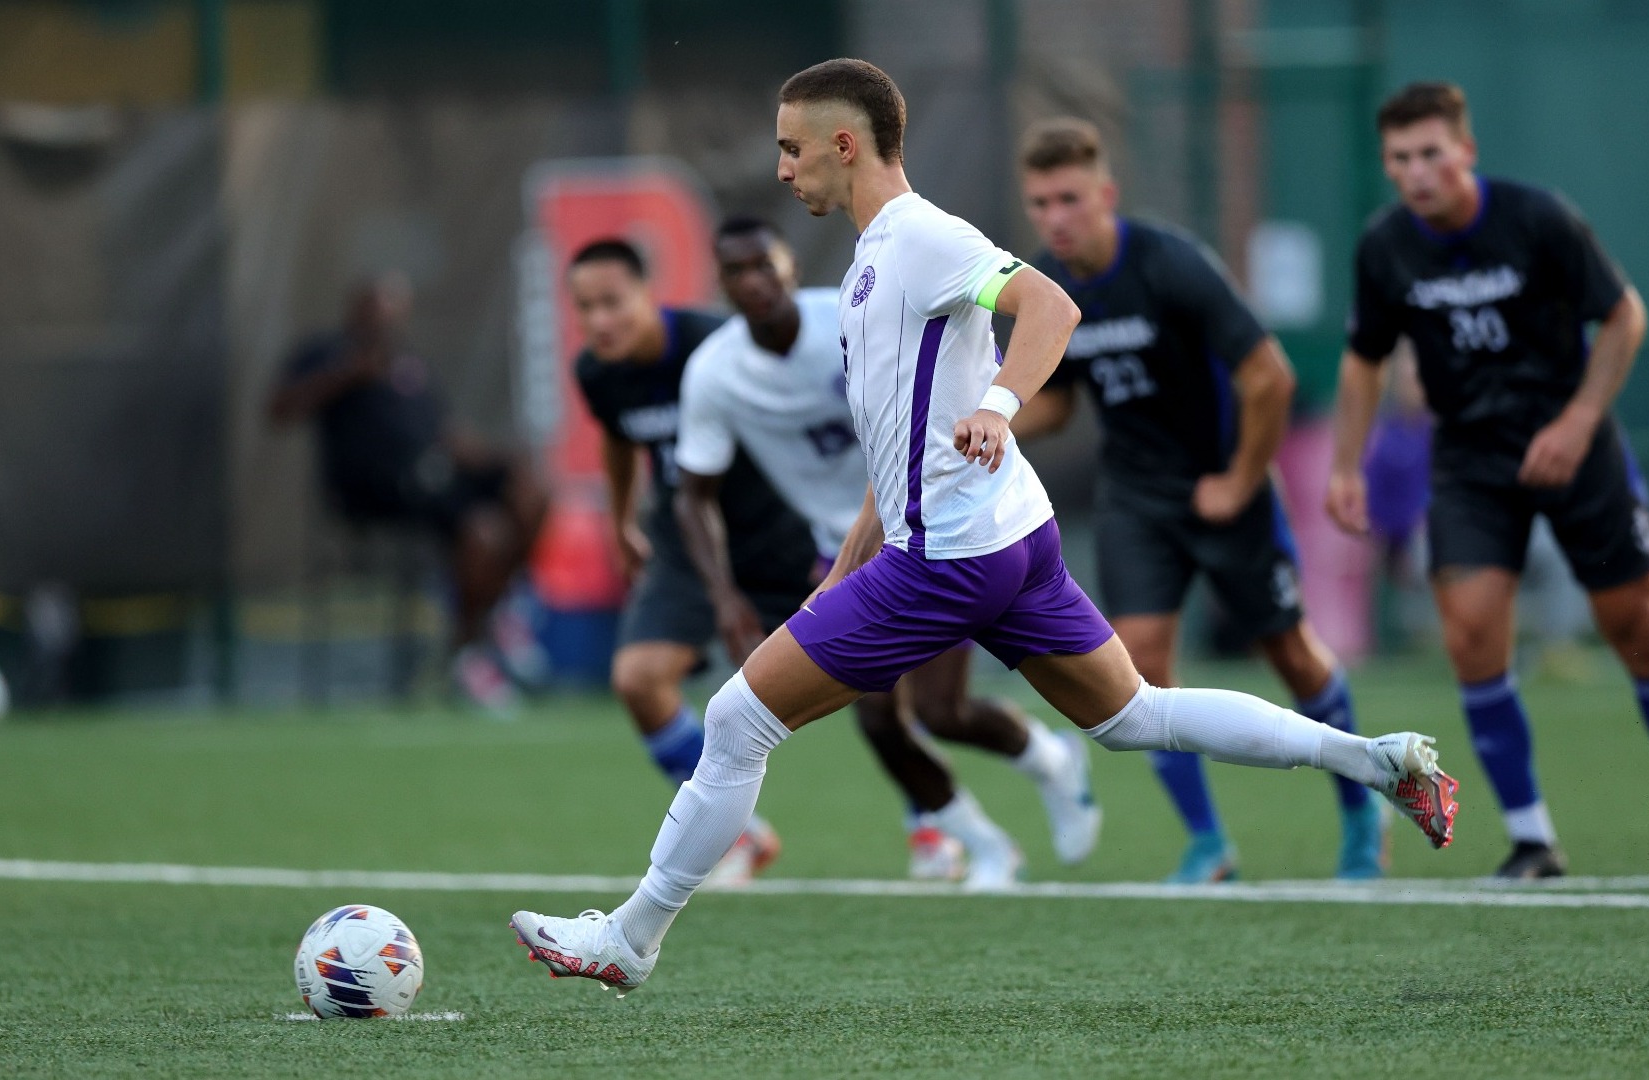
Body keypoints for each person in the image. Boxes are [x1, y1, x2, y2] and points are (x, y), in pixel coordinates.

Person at [511, 58, 1457, 997]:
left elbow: (1051, 304)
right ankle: (1374, 761)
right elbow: (897, 452)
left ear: (847, 144)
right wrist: (841, 572)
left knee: (733, 721)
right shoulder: (871, 262)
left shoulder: (921, 238)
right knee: (1134, 718)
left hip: (950, 562)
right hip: (1012, 539)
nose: (784, 169)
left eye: (792, 149)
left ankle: (630, 938)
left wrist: (1002, 404)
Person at [1325, 81, 1649, 879]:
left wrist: (1580, 420)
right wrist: (1346, 464)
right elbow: (1363, 357)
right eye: (1400, 159)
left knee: (1637, 628)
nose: (1417, 173)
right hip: (1471, 462)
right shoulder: (1384, 247)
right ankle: (1530, 839)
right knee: (1472, 632)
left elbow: (1625, 317)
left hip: (1573, 445)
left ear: (1466, 152)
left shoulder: (1537, 218)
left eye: (1432, 154)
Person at [1011, 118, 1388, 883]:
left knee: (1287, 650)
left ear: (1106, 195)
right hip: (1136, 501)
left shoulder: (1170, 264)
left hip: (1227, 491)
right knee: (1138, 670)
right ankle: (1209, 844)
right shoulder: (1046, 289)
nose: (1057, 217)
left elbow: (1269, 378)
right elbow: (1056, 403)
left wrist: (1243, 480)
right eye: (1042, 203)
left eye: (1071, 199)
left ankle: (1361, 808)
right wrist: (994, 416)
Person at [675, 214, 1102, 888]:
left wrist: (996, 414)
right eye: (737, 271)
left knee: (941, 711)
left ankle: (1050, 760)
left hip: (928, 533)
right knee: (877, 719)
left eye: (766, 264)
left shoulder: (847, 318)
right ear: (720, 284)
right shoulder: (714, 373)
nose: (755, 281)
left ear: (790, 265)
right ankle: (982, 843)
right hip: (842, 548)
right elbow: (693, 490)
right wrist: (724, 597)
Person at [569, 238, 817, 884]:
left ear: (649, 292)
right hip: (686, 537)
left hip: (778, 533)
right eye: (585, 307)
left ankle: (933, 817)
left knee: (880, 685)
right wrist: (622, 519)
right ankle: (738, 834)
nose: (599, 321)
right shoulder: (598, 371)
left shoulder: (718, 346)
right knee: (638, 678)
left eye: (612, 302)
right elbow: (621, 438)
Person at [268, 273, 550, 710]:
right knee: (481, 530)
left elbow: (445, 433)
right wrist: (346, 375)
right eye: (377, 310)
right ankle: (468, 651)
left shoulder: (408, 365)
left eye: (395, 312)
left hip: (434, 472)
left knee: (532, 489)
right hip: (374, 486)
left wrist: (497, 456)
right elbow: (278, 411)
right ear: (356, 310)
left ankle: (496, 607)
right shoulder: (326, 354)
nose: (386, 322)